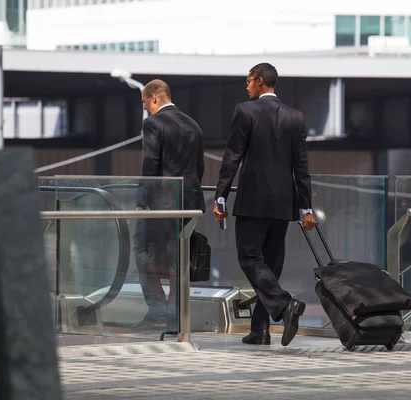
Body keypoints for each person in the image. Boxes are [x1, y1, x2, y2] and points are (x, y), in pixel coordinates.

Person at [213, 63, 316, 346]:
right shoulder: (295, 117)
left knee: (249, 257)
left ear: (259, 81)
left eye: (248, 81)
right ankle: (259, 330)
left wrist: (221, 195)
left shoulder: (245, 111)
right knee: (270, 265)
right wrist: (306, 209)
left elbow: (232, 156)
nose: (246, 87)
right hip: (284, 204)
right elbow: (302, 168)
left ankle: (285, 304)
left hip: (252, 201)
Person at [132, 79, 205, 330]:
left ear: (153, 97)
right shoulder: (193, 124)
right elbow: (200, 167)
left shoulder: (153, 123)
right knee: (179, 258)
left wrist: (142, 201)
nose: (145, 109)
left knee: (142, 250)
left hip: (162, 204)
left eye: (145, 103)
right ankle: (175, 316)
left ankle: (156, 310)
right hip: (190, 202)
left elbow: (150, 164)